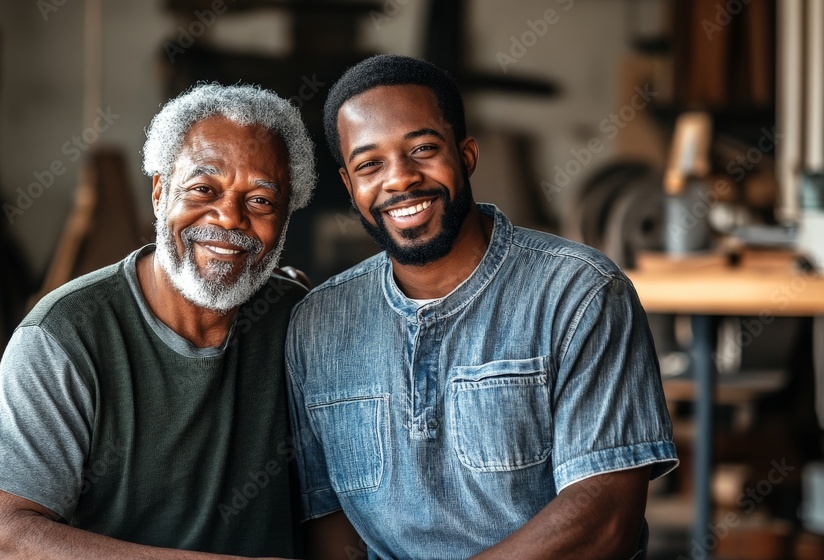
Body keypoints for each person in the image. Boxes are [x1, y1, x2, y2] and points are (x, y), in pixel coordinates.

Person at [285, 54, 678, 559]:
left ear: (466, 155)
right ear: (350, 186)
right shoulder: (318, 324)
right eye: (370, 164)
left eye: (423, 149)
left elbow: (606, 517)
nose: (399, 179)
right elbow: (329, 521)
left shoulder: (580, 294)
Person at [0, 83, 316, 559]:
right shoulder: (64, 336)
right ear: (159, 193)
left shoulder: (301, 324)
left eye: (260, 200)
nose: (230, 218)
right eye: (203, 189)